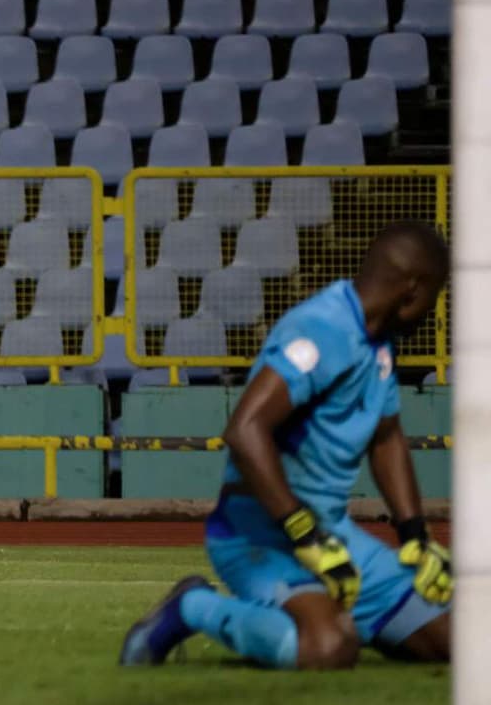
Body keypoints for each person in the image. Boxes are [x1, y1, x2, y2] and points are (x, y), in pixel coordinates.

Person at [119, 221, 453, 669]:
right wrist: (303, 532)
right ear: (413, 290)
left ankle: (346, 611)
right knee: (329, 649)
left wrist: (415, 535)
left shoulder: (378, 344)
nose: (434, 310)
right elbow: (245, 430)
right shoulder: (321, 329)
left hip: (331, 538)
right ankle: (191, 605)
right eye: (436, 296)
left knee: (462, 643)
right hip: (259, 536)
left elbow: (387, 436)